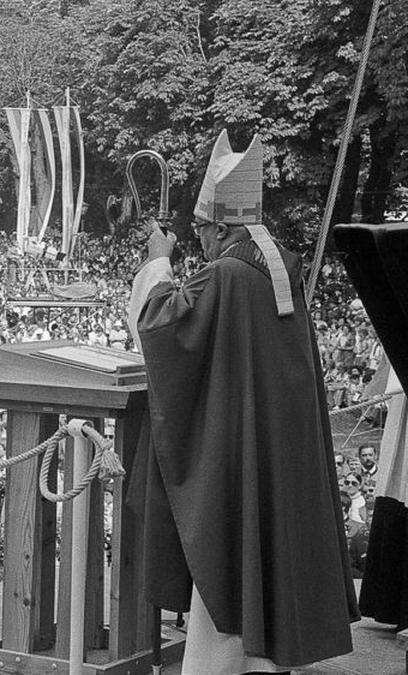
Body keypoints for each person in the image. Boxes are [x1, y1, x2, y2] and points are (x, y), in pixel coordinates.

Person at [126, 130, 357, 672]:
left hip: (236, 456)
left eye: (202, 229)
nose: (199, 239)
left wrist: (158, 263)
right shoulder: (278, 264)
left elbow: (162, 327)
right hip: (279, 449)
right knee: (269, 560)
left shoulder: (229, 272)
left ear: (224, 226)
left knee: (229, 561)